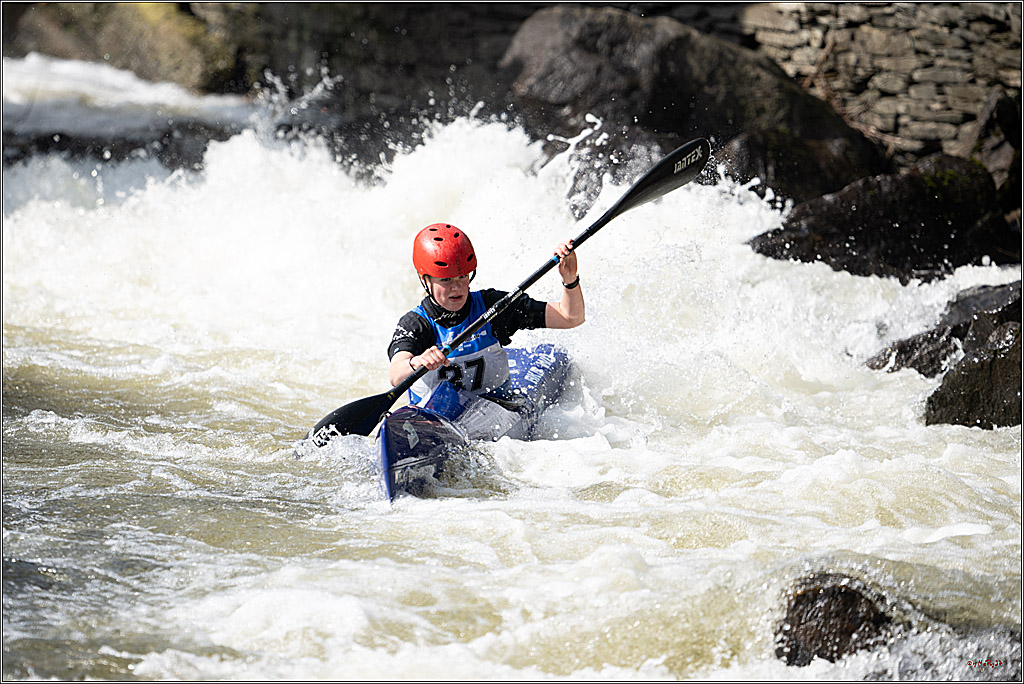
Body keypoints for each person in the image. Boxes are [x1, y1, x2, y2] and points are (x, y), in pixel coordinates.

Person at [388, 222, 584, 405]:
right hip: (435, 419)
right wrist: (418, 361)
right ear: (425, 279)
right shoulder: (415, 324)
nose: (457, 287)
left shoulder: (493, 307)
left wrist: (570, 279)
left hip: (496, 408)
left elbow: (570, 317)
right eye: (446, 280)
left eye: (463, 276)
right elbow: (396, 374)